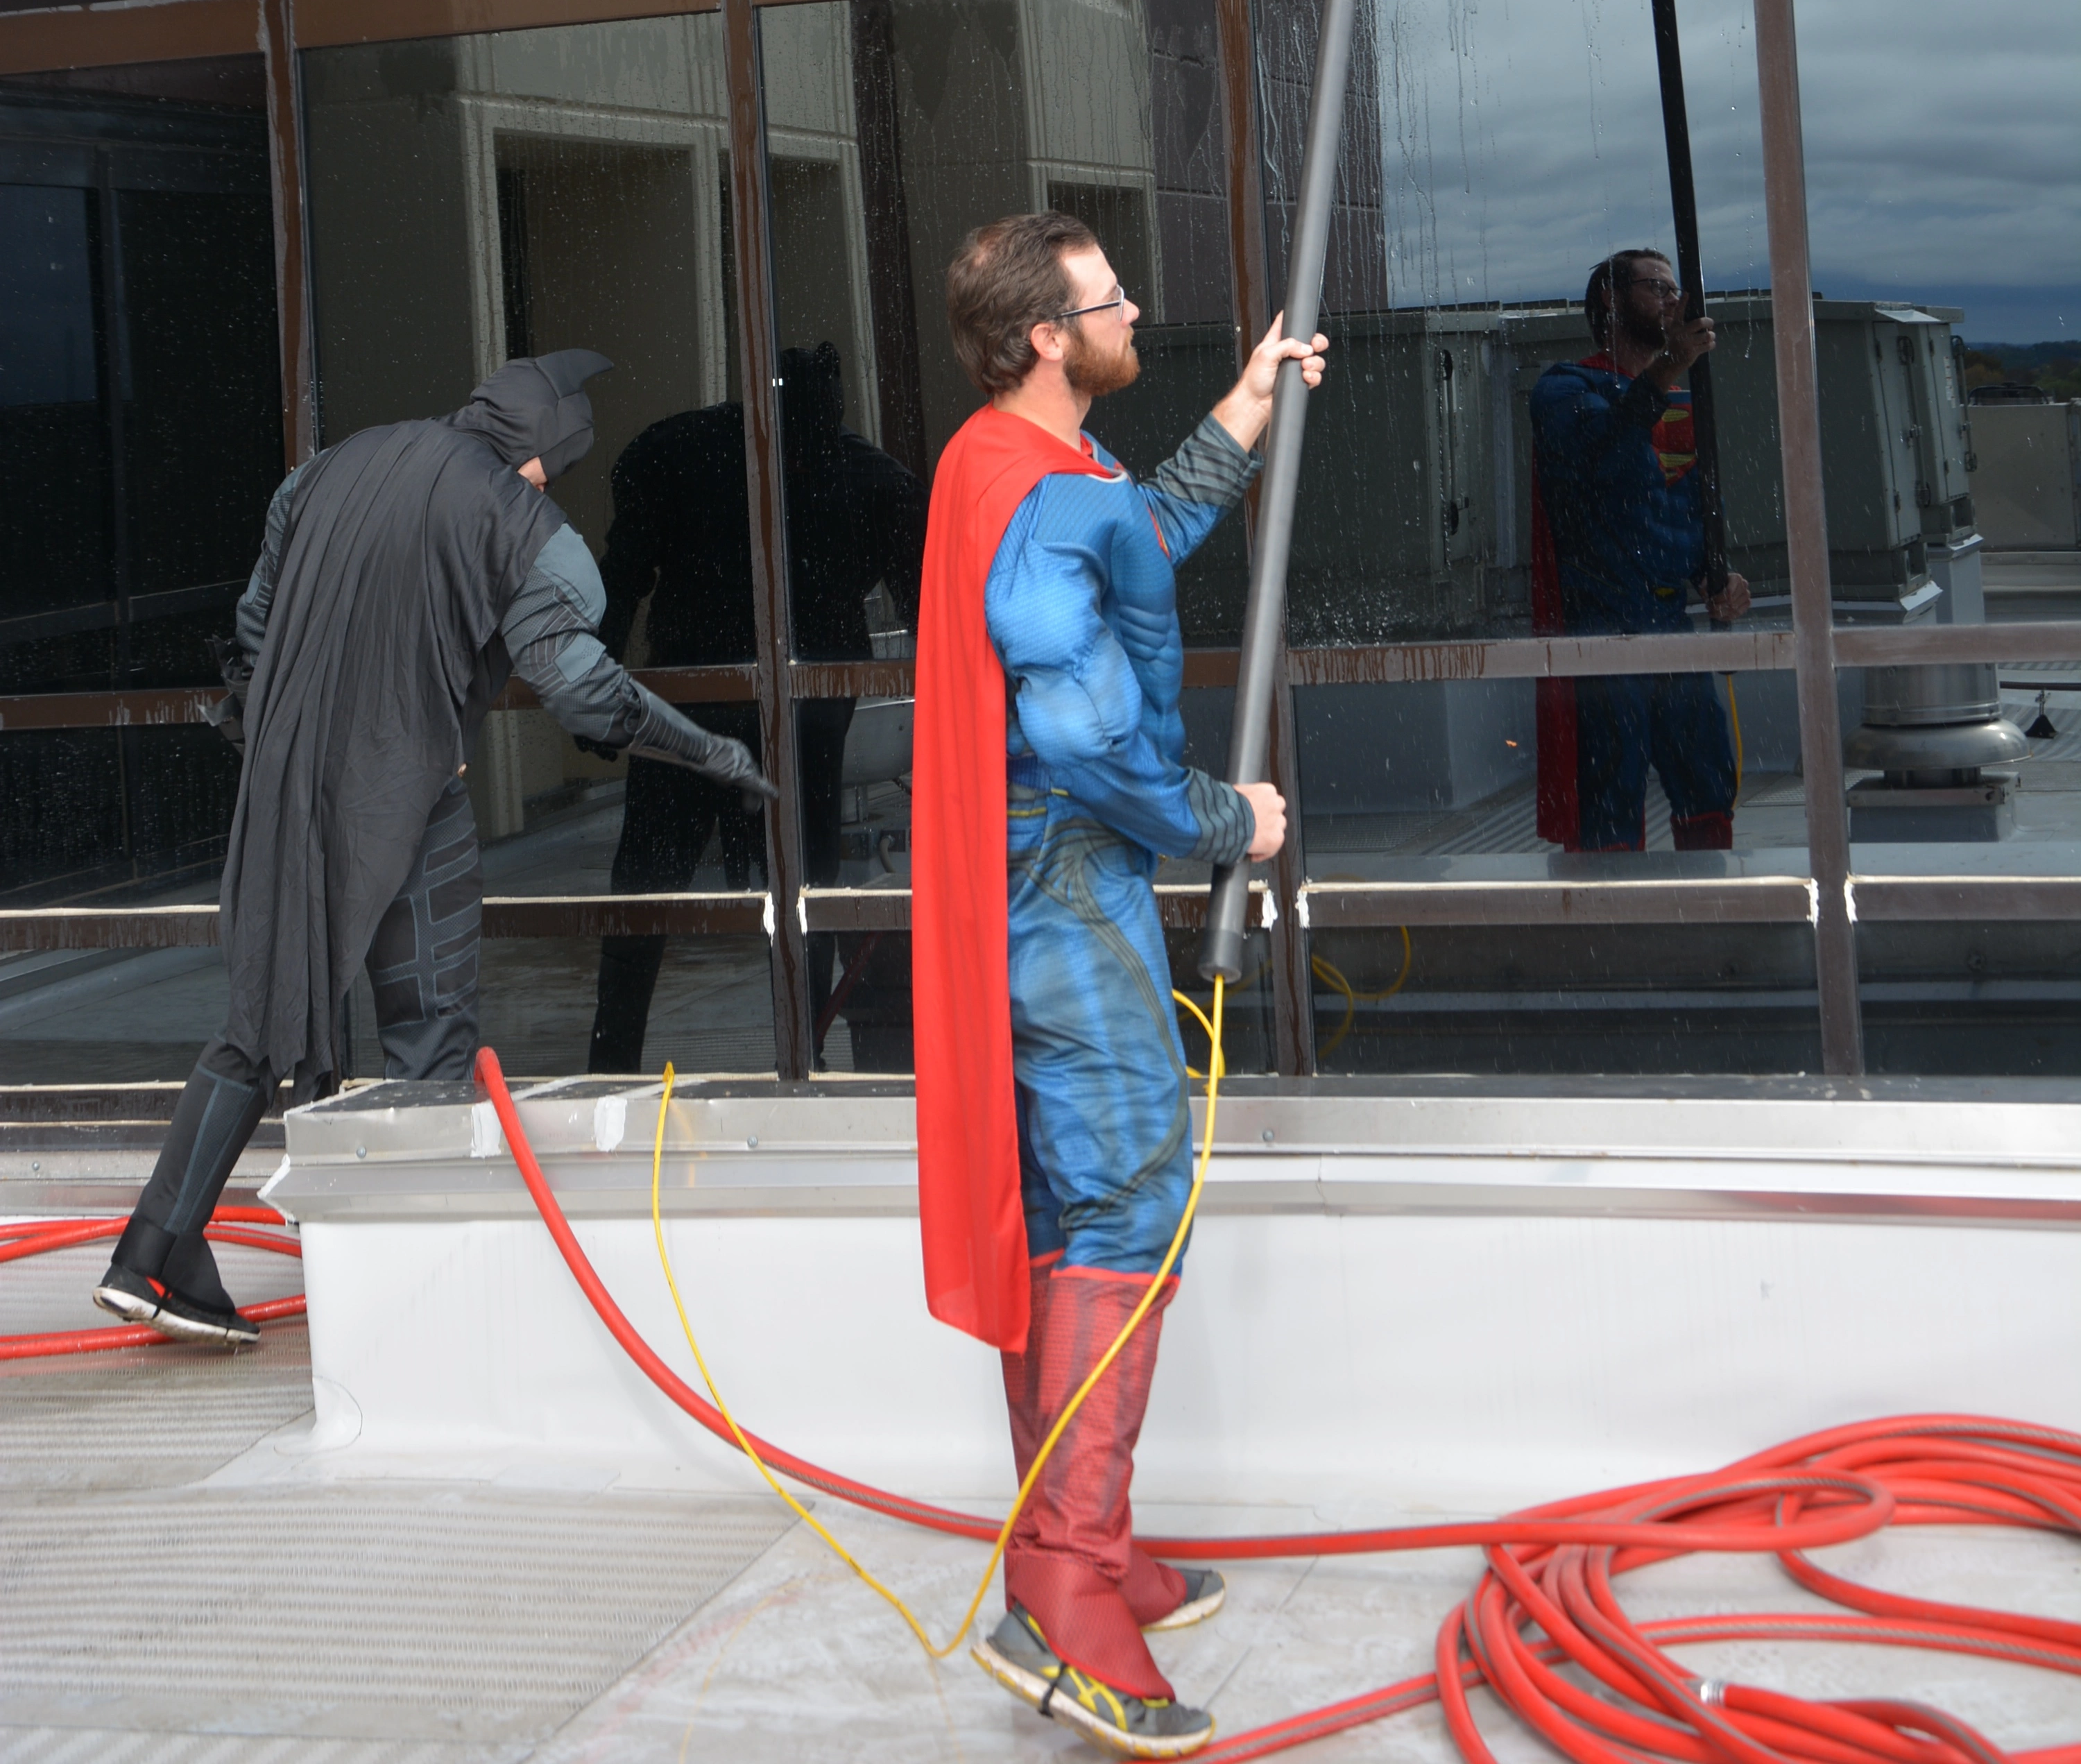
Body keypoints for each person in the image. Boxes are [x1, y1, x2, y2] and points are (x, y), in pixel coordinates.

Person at [94, 350, 774, 1349]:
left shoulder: (322, 471)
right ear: (543, 454)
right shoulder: (524, 524)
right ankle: (421, 1314)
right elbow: (582, 690)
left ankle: (152, 1250)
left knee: (261, 1015)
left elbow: (252, 629)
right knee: (431, 1035)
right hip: (412, 796)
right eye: (561, 465)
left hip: (285, 790)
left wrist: (282, 746)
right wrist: (709, 748)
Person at [912, 211, 1324, 1758]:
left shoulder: (1009, 466)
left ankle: (1084, 1541)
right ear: (1047, 338)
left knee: (1075, 1204)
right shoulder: (1033, 497)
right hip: (1064, 883)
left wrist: (1243, 413)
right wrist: (1231, 819)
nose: (1132, 308)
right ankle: (1068, 1588)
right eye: (1108, 299)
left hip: (1033, 878)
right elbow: (1085, 737)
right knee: (1128, 1203)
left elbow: (1125, 539)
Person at [584, 342, 927, 1072]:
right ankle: (788, 1049)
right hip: (712, 706)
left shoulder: (680, 457)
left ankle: (785, 1047)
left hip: (744, 709)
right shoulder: (693, 460)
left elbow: (618, 587)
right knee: (776, 881)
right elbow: (618, 586)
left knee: (779, 883)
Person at [1528, 250, 1750, 854]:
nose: (1674, 302)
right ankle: (1613, 927)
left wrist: (1716, 573)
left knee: (1708, 782)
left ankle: (1712, 920)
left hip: (1671, 624)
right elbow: (1606, 459)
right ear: (1611, 299)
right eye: (1657, 288)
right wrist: (1671, 366)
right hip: (1603, 632)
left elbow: (1680, 507)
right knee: (1610, 793)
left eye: (1674, 289)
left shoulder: (1681, 394)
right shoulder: (1563, 389)